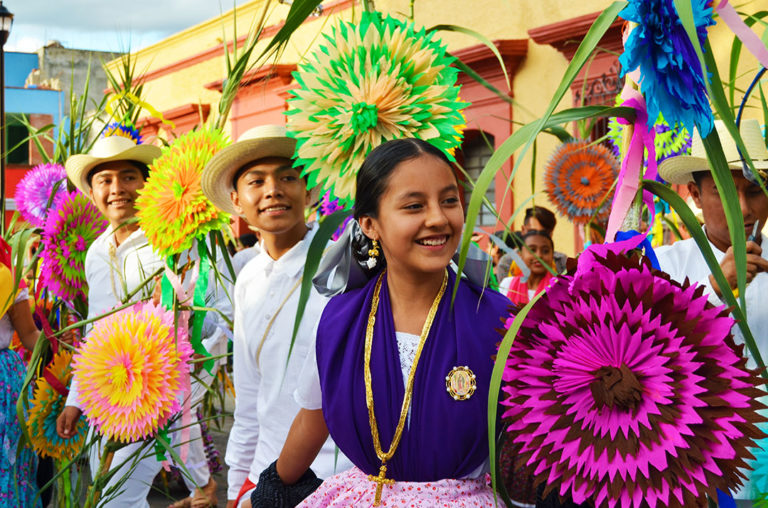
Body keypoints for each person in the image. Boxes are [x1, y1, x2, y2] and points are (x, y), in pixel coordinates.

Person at [250, 138, 511, 507]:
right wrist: (272, 489)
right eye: (414, 205)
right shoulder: (341, 321)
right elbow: (313, 419)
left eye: (449, 200)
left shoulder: (499, 322)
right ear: (370, 224)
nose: (438, 217)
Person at [55, 134, 223, 508]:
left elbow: (211, 321)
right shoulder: (96, 251)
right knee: (107, 492)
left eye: (128, 177)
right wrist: (76, 399)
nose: (117, 189)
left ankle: (202, 485)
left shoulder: (173, 241)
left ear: (147, 183)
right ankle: (203, 487)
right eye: (105, 180)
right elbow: (93, 332)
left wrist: (185, 381)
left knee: (116, 500)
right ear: (93, 190)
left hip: (155, 396)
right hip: (108, 398)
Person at [201, 124, 350, 508]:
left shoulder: (345, 270)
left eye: (288, 176)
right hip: (264, 481)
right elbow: (249, 398)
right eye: (257, 180)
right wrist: (238, 488)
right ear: (236, 200)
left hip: (334, 480)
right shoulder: (246, 277)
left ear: (310, 190)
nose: (273, 190)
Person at [656, 118, 768, 504]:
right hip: (691, 466)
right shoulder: (661, 267)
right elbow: (649, 354)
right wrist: (715, 288)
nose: (743, 209)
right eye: (723, 190)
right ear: (694, 194)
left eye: (755, 191)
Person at [0, 238, 41, 507]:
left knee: (8, 463)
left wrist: (59, 345)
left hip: (4, 386)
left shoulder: (7, 279)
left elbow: (29, 335)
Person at [498, 207, 567, 279]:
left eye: (543, 233)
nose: (537, 237)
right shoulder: (507, 262)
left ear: (551, 234)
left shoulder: (561, 261)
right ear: (523, 230)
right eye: (532, 231)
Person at [500, 230, 555, 306]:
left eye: (545, 251)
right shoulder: (507, 286)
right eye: (532, 250)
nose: (538, 255)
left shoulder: (560, 289)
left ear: (552, 255)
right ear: (520, 255)